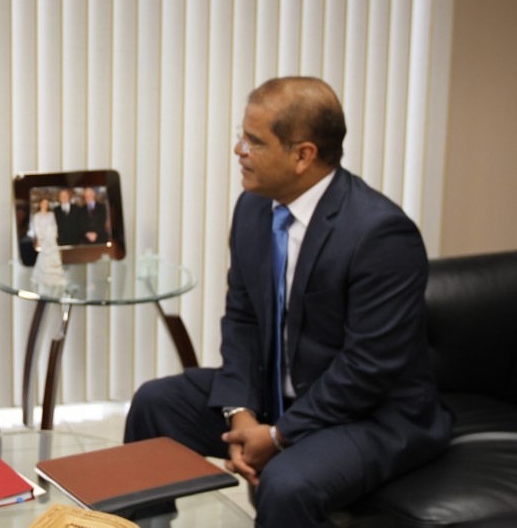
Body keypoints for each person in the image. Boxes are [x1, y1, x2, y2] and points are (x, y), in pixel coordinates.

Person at [124, 76, 451, 526]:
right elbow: (242, 319)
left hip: (372, 415)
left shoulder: (380, 234)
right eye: (241, 136)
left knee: (286, 482)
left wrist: (278, 435)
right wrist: (240, 414)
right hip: (278, 395)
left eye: (254, 141)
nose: (239, 150)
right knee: (155, 403)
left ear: (303, 155)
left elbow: (368, 367)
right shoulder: (253, 208)